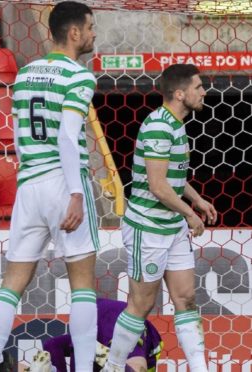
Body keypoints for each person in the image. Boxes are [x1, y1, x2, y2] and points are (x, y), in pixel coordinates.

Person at [0, 2, 100, 372]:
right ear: (75, 32)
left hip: (29, 183)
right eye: (91, 27)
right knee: (82, 284)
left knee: (11, 285)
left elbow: (18, 137)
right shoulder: (79, 76)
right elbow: (67, 136)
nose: (95, 34)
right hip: (65, 183)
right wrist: (77, 194)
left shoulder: (25, 73)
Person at [102, 64, 217, 372]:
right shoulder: (157, 126)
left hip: (172, 225)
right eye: (197, 86)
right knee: (141, 305)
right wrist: (191, 215)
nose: (203, 91)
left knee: (187, 298)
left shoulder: (177, 124)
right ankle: (114, 366)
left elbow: (172, 176)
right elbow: (157, 185)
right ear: (179, 94)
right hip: (148, 228)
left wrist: (196, 198)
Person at [27, 298, 162, 372]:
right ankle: (103, 354)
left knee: (55, 345)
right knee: (136, 365)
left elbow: (52, 344)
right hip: (121, 319)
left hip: (92, 311)